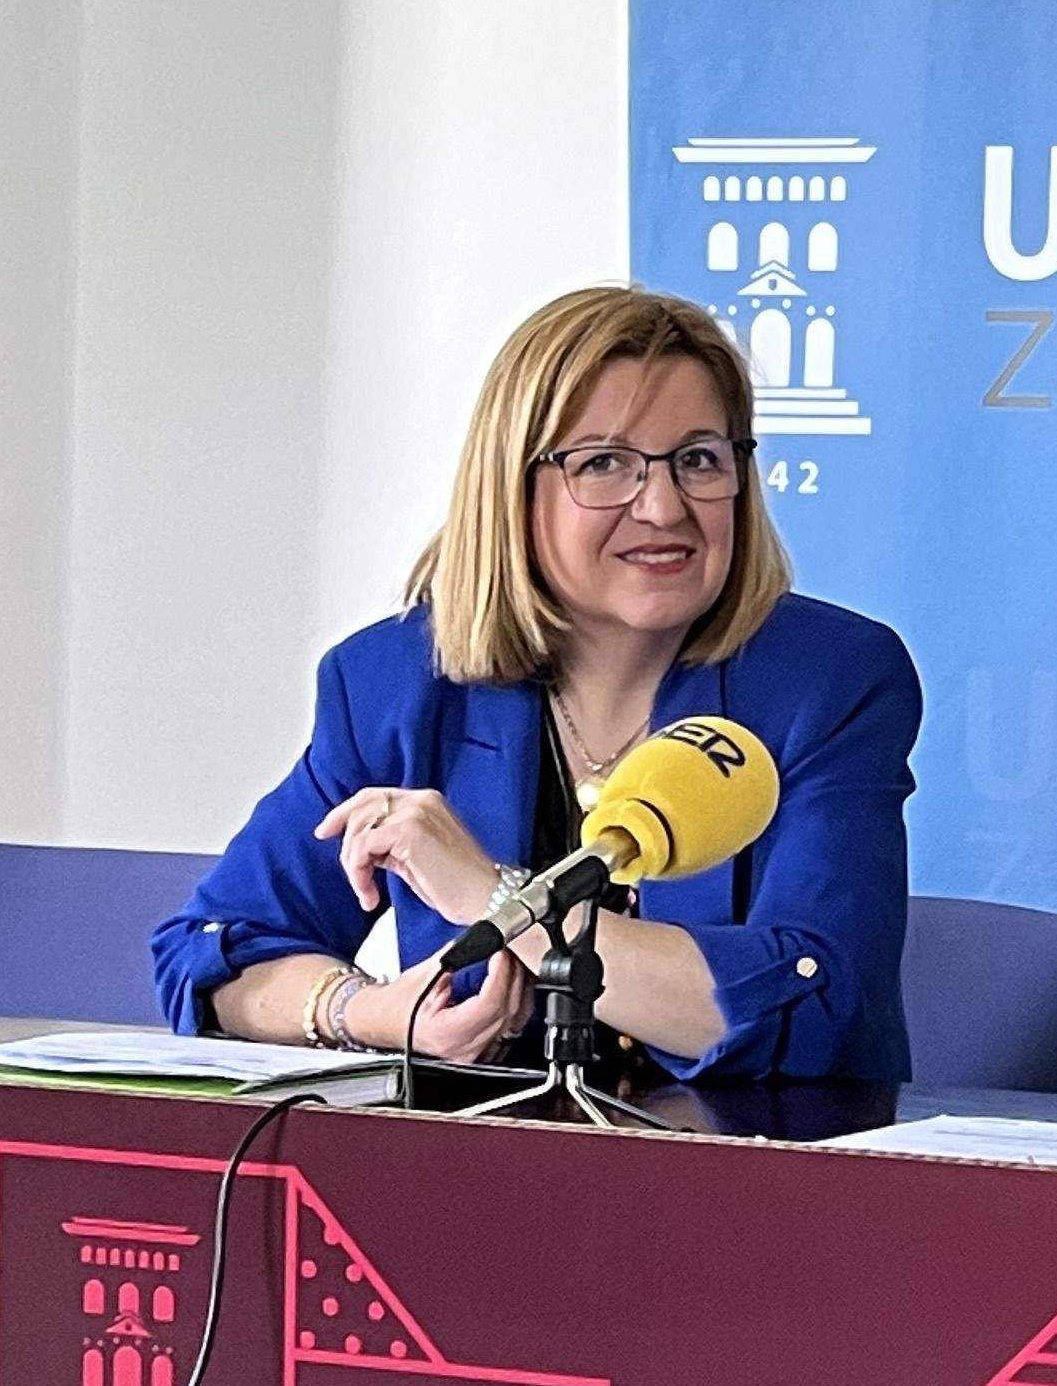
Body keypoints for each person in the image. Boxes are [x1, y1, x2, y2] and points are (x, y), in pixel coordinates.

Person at [156, 285, 919, 1082]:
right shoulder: (395, 684)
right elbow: (209, 956)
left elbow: (818, 1009)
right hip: (481, 1150)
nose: (664, 508)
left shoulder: (829, 681)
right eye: (604, 464)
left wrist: (496, 901)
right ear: (510, 489)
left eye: (699, 459)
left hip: (749, 1152)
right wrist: (366, 1013)